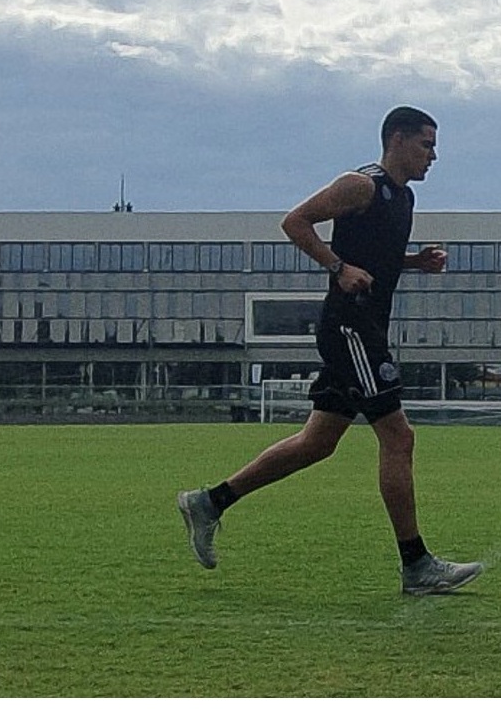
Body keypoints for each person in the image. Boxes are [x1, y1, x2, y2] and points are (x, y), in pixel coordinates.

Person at [177, 106, 482, 596]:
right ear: (397, 139)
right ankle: (416, 565)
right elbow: (295, 222)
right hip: (350, 328)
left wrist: (414, 262)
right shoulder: (361, 185)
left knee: (317, 443)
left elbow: (375, 258)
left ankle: (209, 503)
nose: (434, 155)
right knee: (399, 438)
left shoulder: (402, 199)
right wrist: (338, 267)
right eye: (427, 143)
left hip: (365, 329)